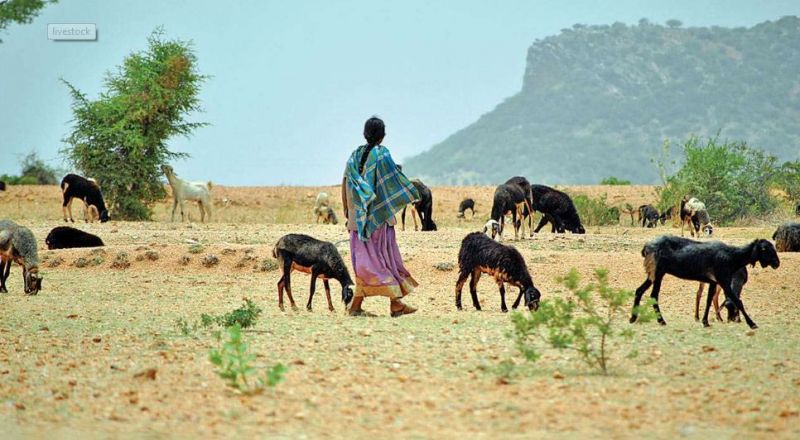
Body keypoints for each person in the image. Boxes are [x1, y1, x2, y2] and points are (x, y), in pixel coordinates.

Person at [341, 116, 419, 317]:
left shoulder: (353, 157)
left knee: (365, 265)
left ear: (364, 134)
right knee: (384, 261)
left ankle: (365, 306)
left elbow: (345, 187)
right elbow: (393, 182)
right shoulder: (382, 155)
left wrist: (349, 216)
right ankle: (392, 304)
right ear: (382, 136)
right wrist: (409, 193)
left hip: (357, 223)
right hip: (378, 222)